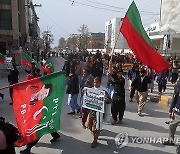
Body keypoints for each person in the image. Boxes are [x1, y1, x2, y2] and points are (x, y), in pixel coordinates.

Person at [86, 77, 111, 148]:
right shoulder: (91, 90)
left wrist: (106, 98)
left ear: (100, 83)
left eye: (96, 82)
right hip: (91, 111)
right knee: (89, 125)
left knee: (97, 127)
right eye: (94, 82)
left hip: (99, 113)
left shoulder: (104, 91)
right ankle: (95, 133)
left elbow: (109, 101)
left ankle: (95, 140)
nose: (95, 84)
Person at [163, 79, 180, 147]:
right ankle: (170, 141)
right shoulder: (177, 88)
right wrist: (170, 110)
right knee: (171, 126)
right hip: (178, 112)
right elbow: (174, 100)